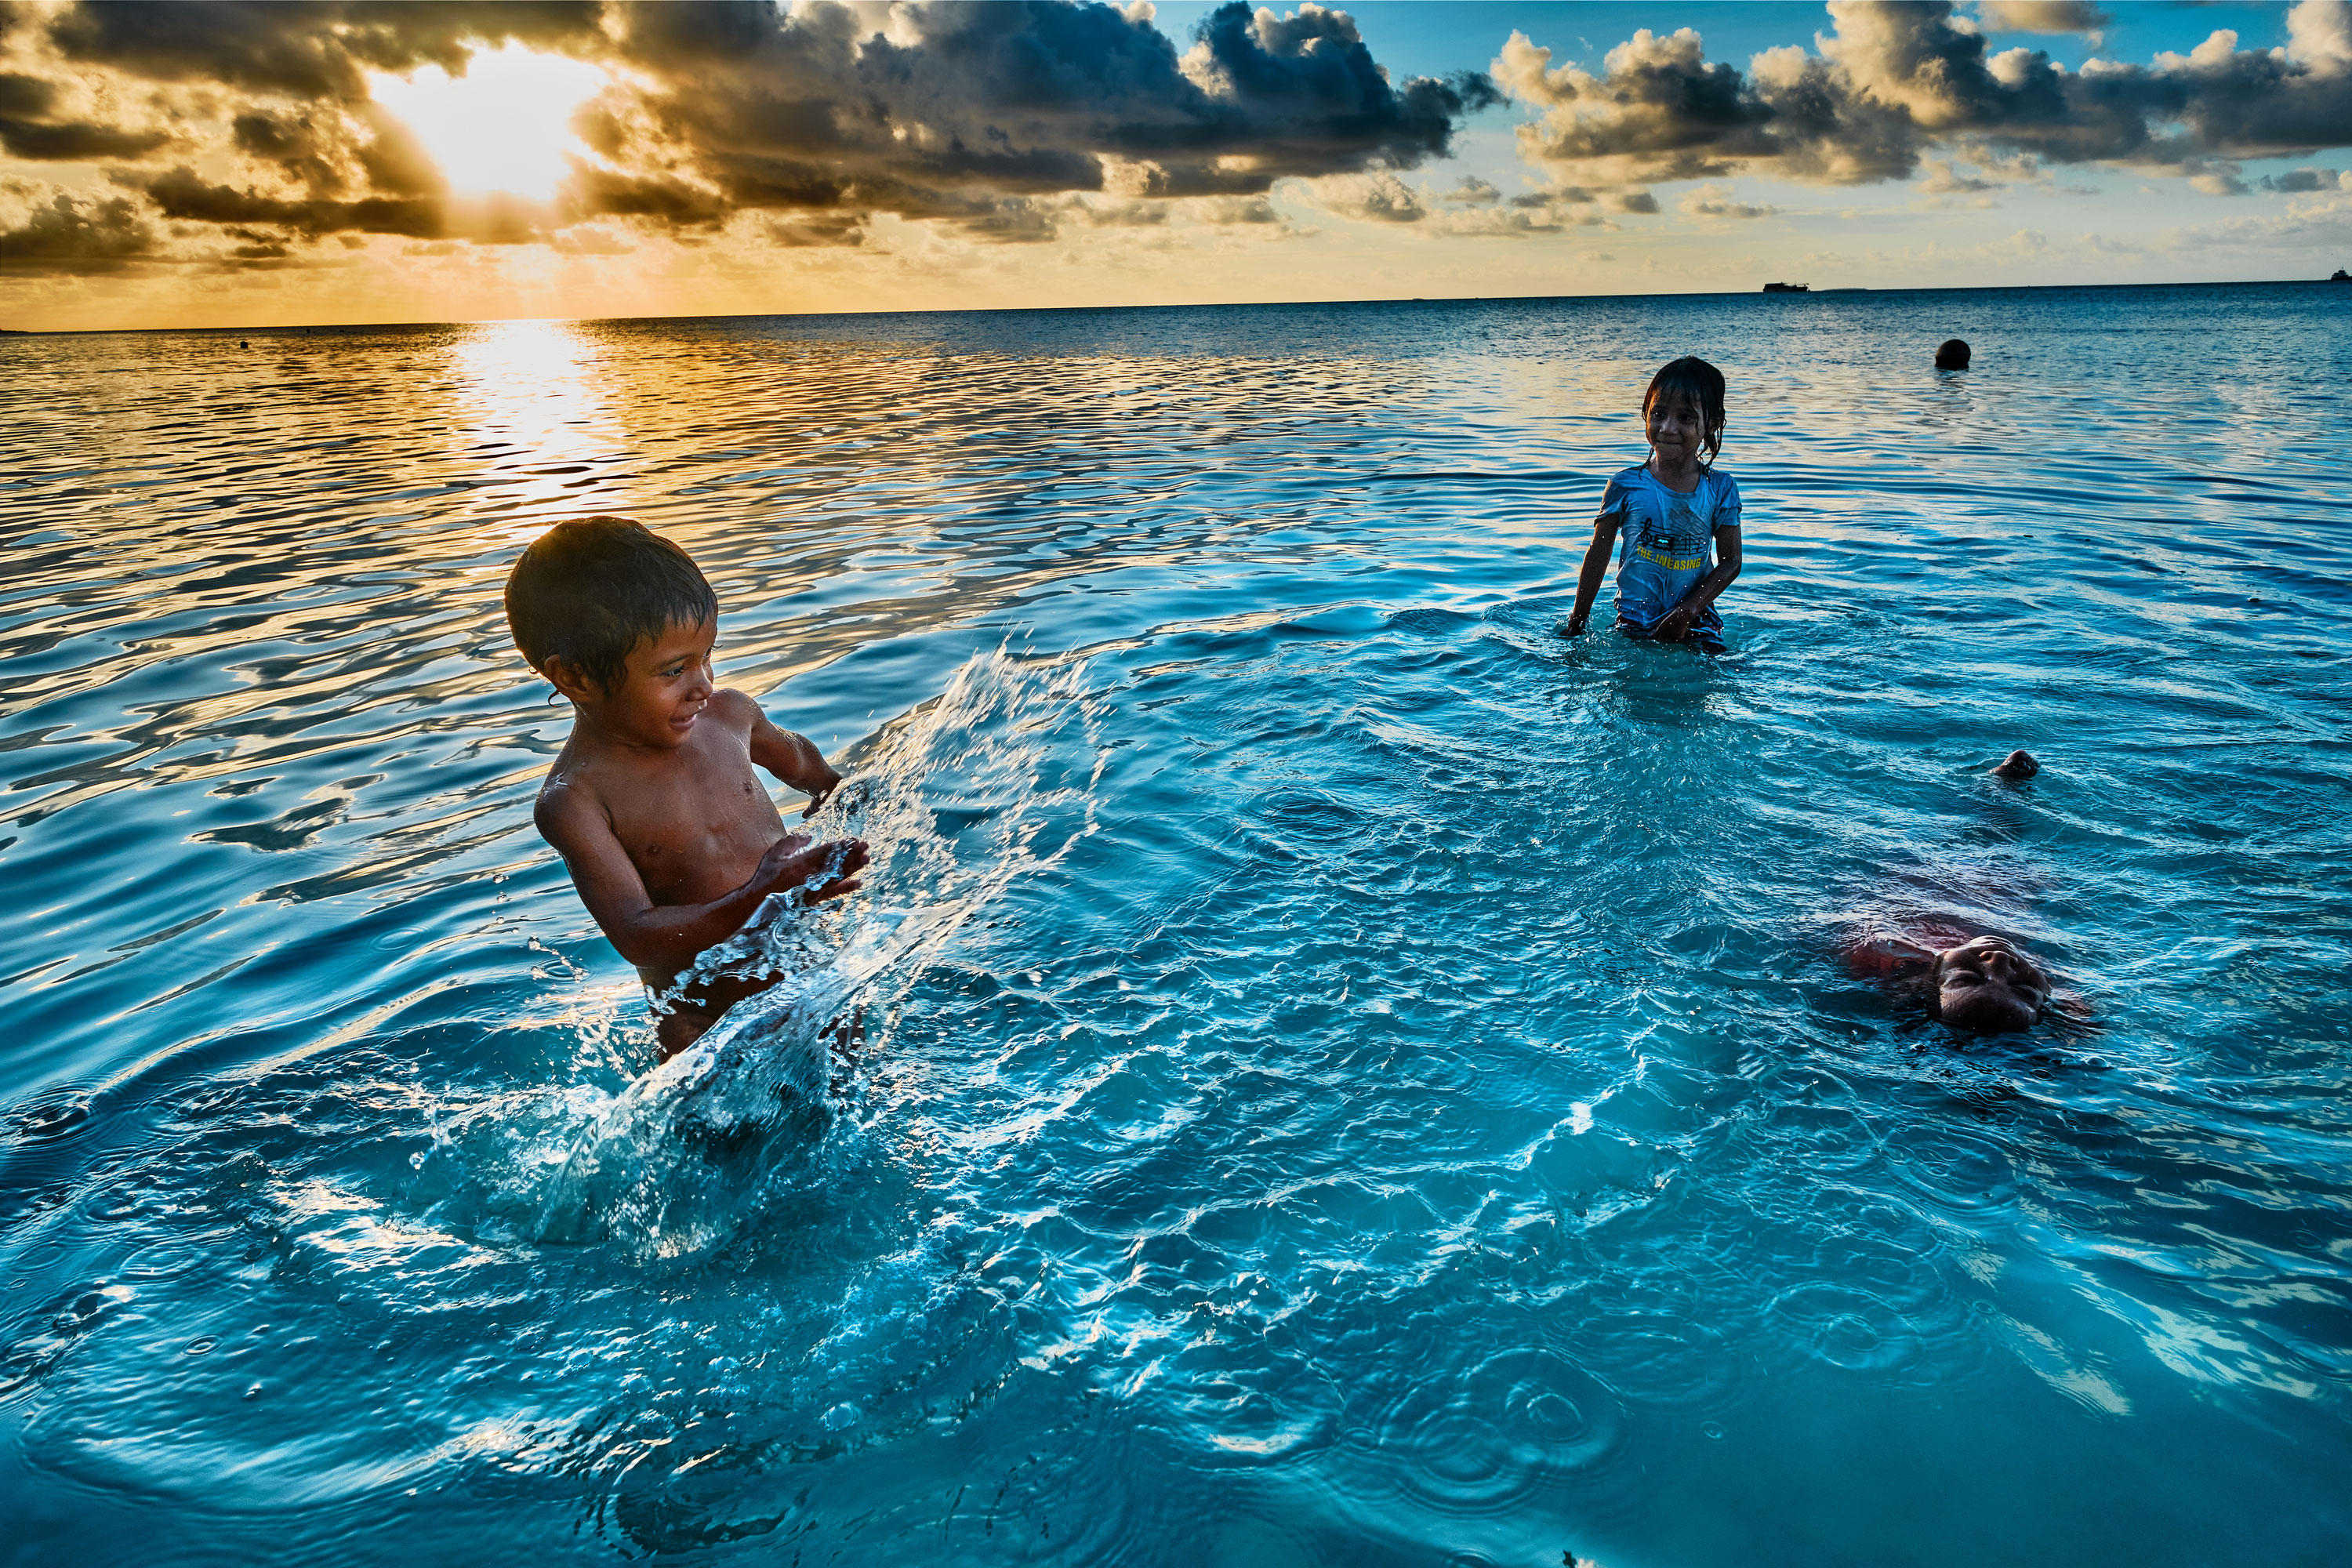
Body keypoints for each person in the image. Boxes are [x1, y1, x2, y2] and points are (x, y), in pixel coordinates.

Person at [504, 516, 870, 1062]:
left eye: (706, 657)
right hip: (709, 1037)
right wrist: (758, 896)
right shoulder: (576, 801)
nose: (704, 685)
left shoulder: (732, 718)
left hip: (814, 990)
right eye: (674, 670)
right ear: (575, 679)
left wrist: (849, 803)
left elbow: (816, 777)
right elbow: (637, 933)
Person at [1561, 357, 1744, 653]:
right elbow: (1598, 553)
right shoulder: (1626, 485)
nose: (1668, 428)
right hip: (1634, 620)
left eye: (1685, 418)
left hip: (1697, 623)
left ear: (1710, 424)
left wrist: (1686, 612)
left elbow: (1731, 561)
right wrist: (1578, 620)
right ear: (1645, 414)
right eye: (1659, 413)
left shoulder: (1720, 488)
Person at [1842, 925, 2054, 1033]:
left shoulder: (1878, 955)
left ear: (1927, 980)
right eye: (2025, 990)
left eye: (1966, 975)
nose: (1999, 959)